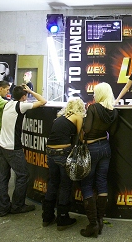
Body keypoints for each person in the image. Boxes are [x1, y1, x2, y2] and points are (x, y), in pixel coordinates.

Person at [0, 85, 47, 216]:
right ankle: (18, 205)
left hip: (1, 144)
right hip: (13, 147)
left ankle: (2, 207)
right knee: (23, 175)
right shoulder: (21, 106)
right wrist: (30, 91)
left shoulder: (7, 104)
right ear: (24, 96)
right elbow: (43, 101)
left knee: (3, 178)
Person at [79, 82, 118, 238]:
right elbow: (112, 132)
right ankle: (100, 220)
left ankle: (92, 224)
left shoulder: (93, 108)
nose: (93, 95)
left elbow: (87, 129)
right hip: (105, 147)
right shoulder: (113, 111)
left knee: (87, 183)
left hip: (91, 148)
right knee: (102, 182)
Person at [43, 97, 85, 229]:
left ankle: (47, 216)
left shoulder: (60, 117)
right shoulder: (78, 116)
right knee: (65, 185)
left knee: (52, 183)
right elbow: (81, 137)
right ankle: (62, 218)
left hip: (50, 151)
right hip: (63, 152)